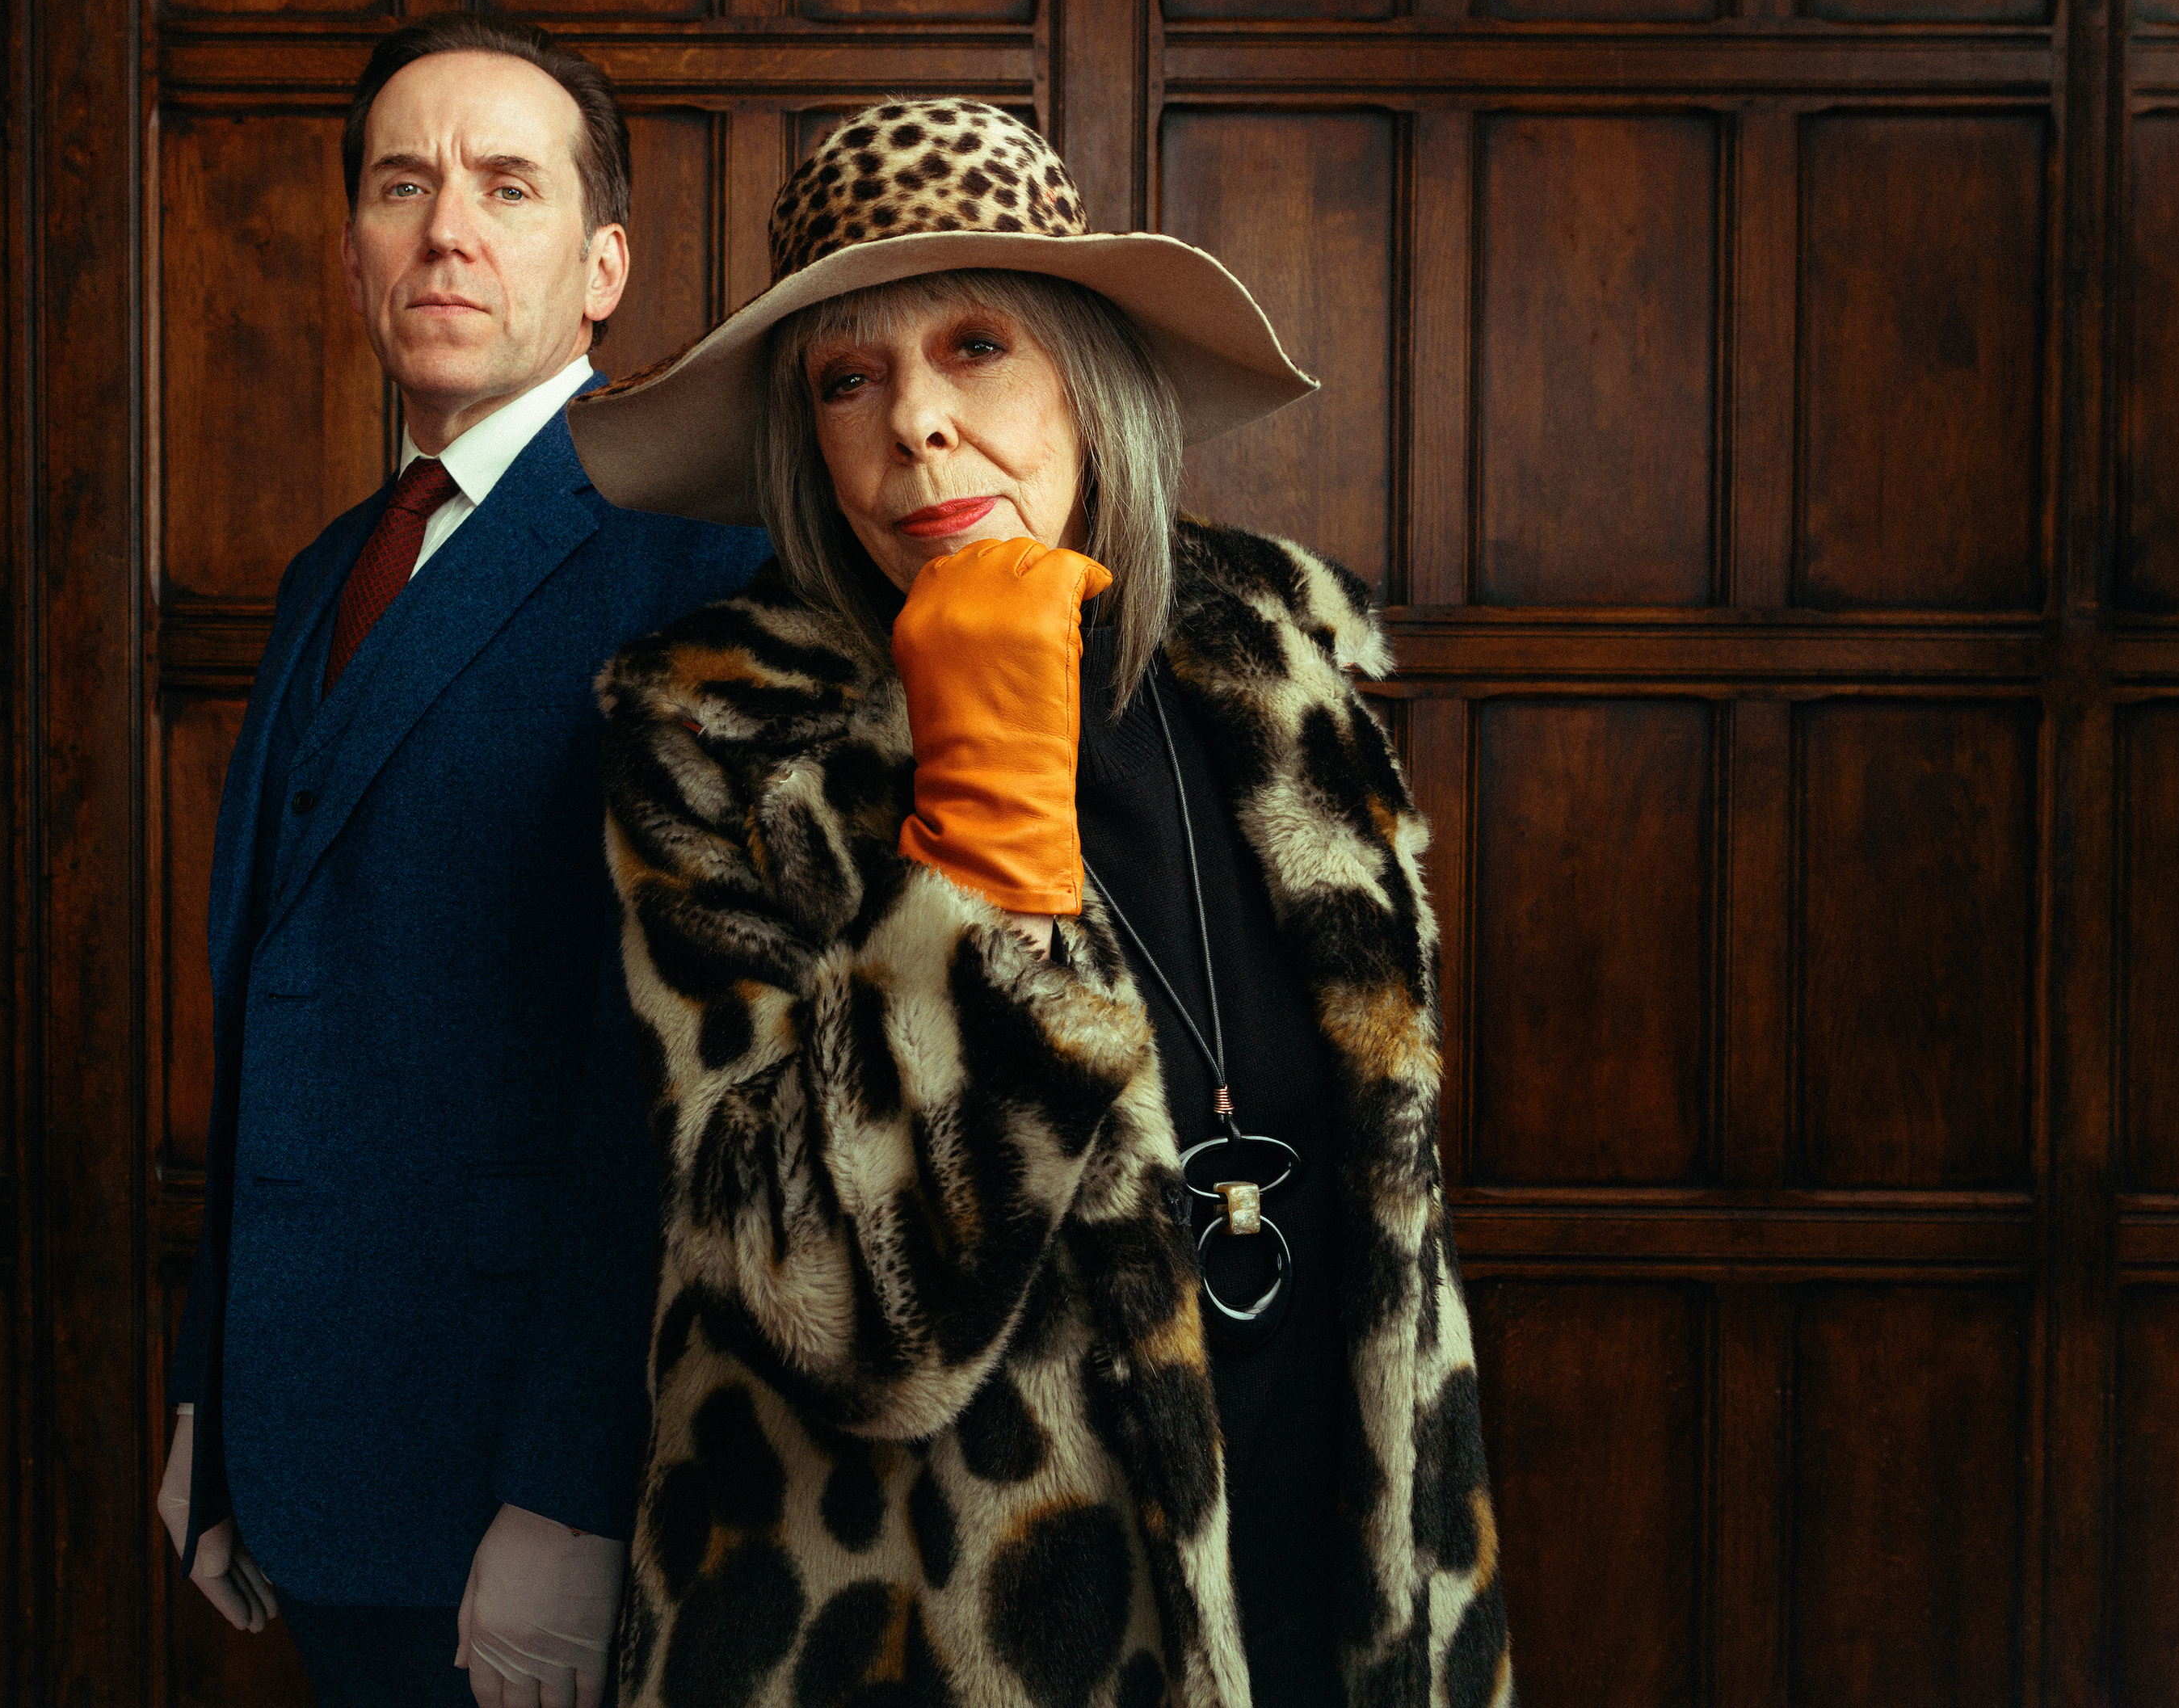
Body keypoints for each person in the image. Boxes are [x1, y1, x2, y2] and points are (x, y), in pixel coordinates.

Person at [566, 102, 1515, 1706]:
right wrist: (980, 830)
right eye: (845, 380)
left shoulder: (1290, 663)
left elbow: (1398, 1250)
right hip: (930, 1646)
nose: (914, 427)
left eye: (977, 344)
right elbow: (839, 1319)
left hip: (1322, 1610)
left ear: (1096, 377)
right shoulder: (720, 733)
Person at [154, 11, 769, 1708]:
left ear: (601, 267)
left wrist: (574, 1496)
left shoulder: (701, 565)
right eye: (400, 185)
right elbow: (282, 1008)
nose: (446, 229)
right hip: (306, 1444)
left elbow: (668, 1073)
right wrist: (213, 1389)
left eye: (508, 187)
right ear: (352, 247)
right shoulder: (327, 573)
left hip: (526, 1477)